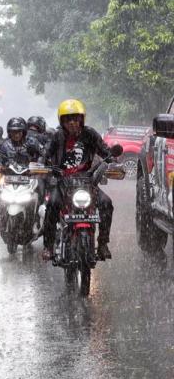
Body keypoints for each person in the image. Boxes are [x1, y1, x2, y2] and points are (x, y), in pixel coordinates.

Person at [42, 99, 114, 262]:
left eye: (76, 118)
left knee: (106, 204)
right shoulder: (57, 136)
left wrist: (114, 165)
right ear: (62, 121)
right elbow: (45, 154)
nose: (73, 123)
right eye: (68, 119)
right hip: (63, 183)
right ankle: (48, 246)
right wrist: (42, 165)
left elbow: (106, 152)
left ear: (82, 119)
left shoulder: (90, 134)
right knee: (52, 204)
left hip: (87, 182)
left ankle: (102, 244)